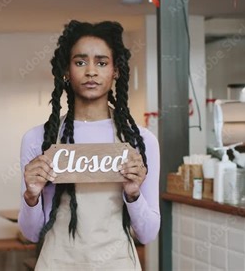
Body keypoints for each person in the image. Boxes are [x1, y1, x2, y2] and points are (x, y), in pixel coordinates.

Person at [18, 20, 160, 270]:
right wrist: (31, 196)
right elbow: (31, 234)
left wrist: (133, 194)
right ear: (66, 70)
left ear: (116, 70)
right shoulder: (38, 139)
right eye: (80, 62)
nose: (91, 71)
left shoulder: (141, 141)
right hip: (57, 263)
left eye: (102, 62)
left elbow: (147, 234)